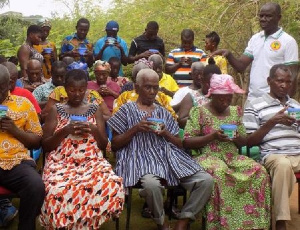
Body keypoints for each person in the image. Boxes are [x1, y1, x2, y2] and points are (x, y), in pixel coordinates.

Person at [107, 68, 213, 230]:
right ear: (136, 87)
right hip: (138, 158)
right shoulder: (125, 110)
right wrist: (135, 129)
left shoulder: (164, 112)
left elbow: (179, 142)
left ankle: (183, 220)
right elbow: (114, 145)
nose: (152, 91)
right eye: (147, 87)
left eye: (155, 87)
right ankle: (162, 223)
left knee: (206, 181)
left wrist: (165, 133)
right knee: (151, 185)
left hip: (168, 157)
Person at [183, 73, 271, 230]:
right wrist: (213, 136)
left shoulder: (236, 112)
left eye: (228, 98)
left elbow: (245, 142)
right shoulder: (199, 112)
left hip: (232, 157)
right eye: (221, 98)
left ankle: (254, 224)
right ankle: (221, 224)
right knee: (219, 173)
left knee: (260, 171)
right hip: (207, 156)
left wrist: (237, 137)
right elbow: (187, 141)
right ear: (212, 95)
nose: (225, 102)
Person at [39, 69, 124, 229]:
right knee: (55, 190)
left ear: (87, 89)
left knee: (112, 184)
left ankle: (84, 223)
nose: (77, 94)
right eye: (72, 90)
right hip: (61, 163)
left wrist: (93, 129)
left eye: (81, 90)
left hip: (91, 161)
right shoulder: (56, 110)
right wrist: (65, 130)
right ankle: (69, 224)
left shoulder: (95, 108)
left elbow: (103, 144)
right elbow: (46, 145)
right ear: (65, 89)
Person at [243, 64, 300, 230]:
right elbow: (249, 141)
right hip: (274, 155)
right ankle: (281, 222)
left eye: (288, 82)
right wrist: (272, 121)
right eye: (280, 81)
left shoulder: (295, 104)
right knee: (283, 165)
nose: (284, 85)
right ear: (269, 81)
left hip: (297, 153)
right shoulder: (254, 104)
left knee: (286, 166)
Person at [213, 2, 299, 100]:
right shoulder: (255, 39)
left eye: (268, 16)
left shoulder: (288, 41)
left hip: (275, 100)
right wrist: (229, 55)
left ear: (278, 18)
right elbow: (241, 66)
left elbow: (293, 75)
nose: (263, 19)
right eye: (261, 16)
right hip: (253, 99)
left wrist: (287, 101)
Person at [0, 64, 45, 229]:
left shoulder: (24, 104)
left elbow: (37, 140)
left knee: (36, 186)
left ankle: (25, 225)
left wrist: (14, 130)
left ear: (10, 84)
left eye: (1, 90)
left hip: (15, 162)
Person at [177, 58, 221, 128]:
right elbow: (181, 120)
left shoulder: (221, 97)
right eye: (208, 83)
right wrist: (201, 120)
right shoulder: (192, 96)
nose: (211, 86)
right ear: (202, 80)